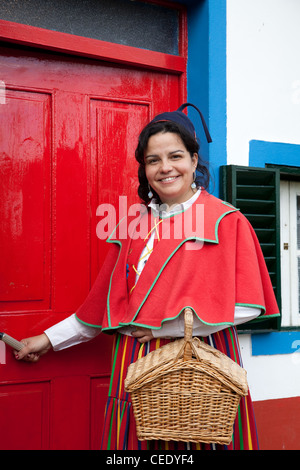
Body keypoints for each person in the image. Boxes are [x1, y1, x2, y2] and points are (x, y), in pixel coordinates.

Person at [14, 103, 280, 450]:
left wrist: (161, 328)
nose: (166, 168)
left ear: (194, 161)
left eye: (176, 156)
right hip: (134, 362)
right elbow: (105, 309)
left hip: (200, 366)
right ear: (145, 169)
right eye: (154, 160)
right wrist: (47, 340)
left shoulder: (226, 221)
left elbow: (247, 307)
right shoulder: (132, 226)